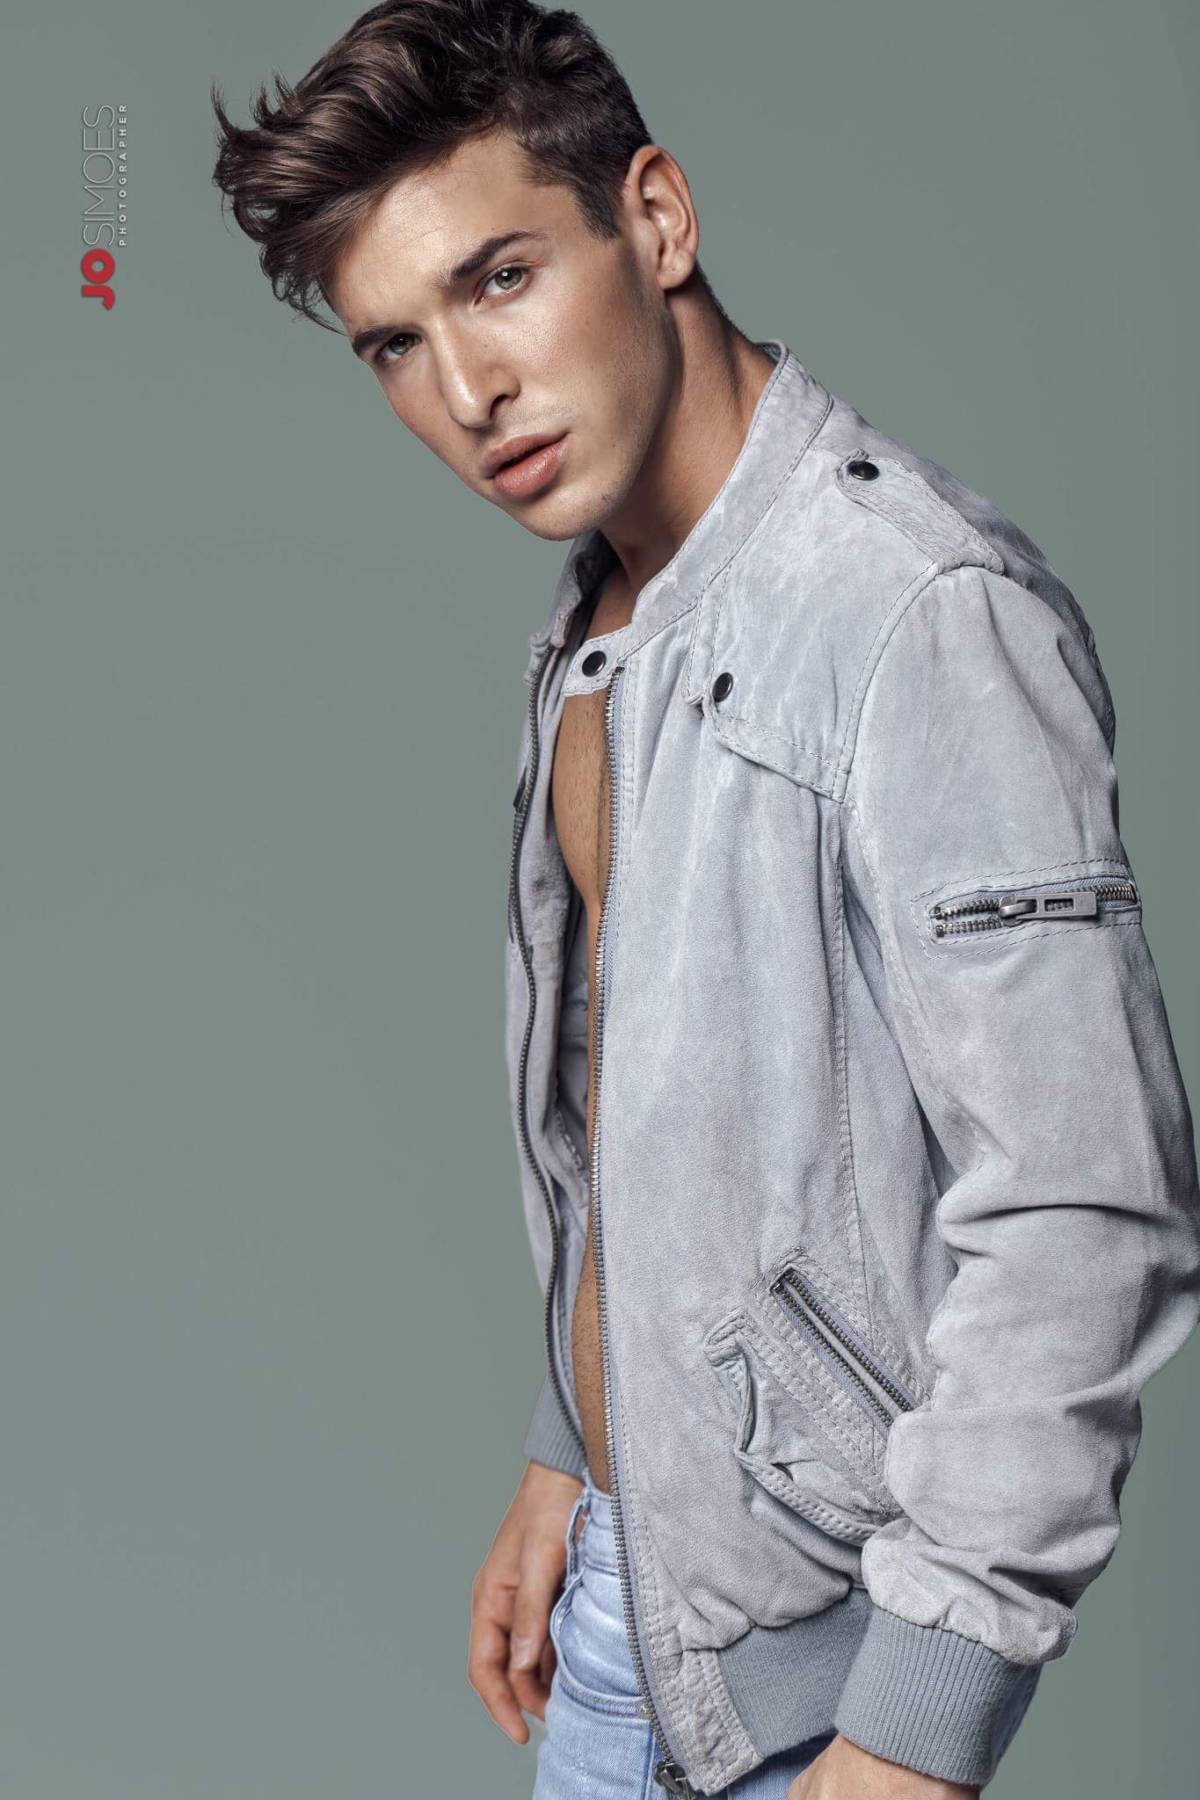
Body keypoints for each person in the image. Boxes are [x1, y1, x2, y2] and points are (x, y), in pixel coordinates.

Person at [210, 4, 1200, 1795]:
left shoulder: (917, 617)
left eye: (501, 279)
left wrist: (916, 1732)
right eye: (396, 346)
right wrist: (572, 1452)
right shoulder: (610, 627)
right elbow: (662, 1122)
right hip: (628, 1615)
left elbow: (1085, 1204)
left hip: (823, 1700)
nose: (466, 390)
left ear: (655, 219)